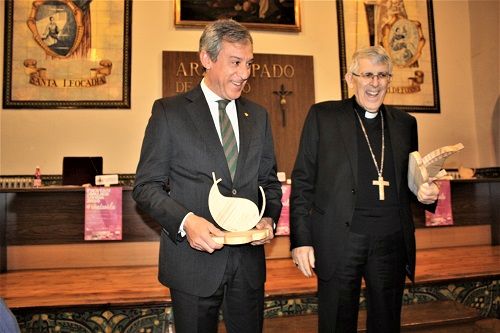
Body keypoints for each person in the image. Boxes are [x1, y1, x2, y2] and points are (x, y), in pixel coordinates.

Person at [133, 19, 282, 333]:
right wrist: (187, 221)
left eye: (249, 64)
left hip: (248, 266)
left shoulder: (258, 116)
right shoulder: (169, 112)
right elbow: (146, 187)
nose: (244, 74)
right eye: (235, 63)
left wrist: (268, 218)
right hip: (192, 265)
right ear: (206, 58)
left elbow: (268, 182)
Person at [289, 45, 439, 333]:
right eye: (367, 74)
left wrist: (425, 195)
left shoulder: (405, 124)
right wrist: (301, 240)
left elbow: (411, 182)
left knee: (386, 323)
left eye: (382, 75)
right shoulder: (323, 116)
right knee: (336, 322)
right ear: (350, 78)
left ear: (389, 80)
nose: (375, 82)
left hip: (391, 240)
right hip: (340, 238)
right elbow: (303, 181)